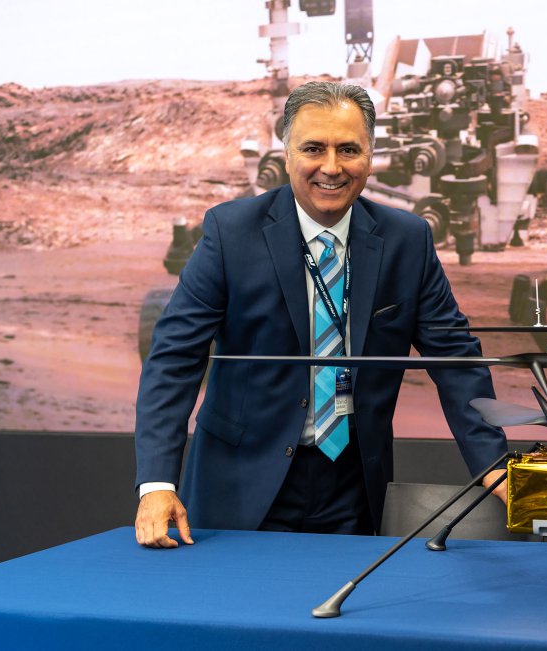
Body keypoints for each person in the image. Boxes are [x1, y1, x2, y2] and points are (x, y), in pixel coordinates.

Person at [134, 81, 508, 548]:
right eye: (313, 148)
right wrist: (156, 483)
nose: (331, 167)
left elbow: (456, 360)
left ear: (370, 155)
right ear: (287, 153)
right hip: (238, 484)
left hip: (352, 488)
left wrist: (496, 467)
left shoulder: (407, 240)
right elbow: (174, 358)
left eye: (348, 149)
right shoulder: (230, 233)